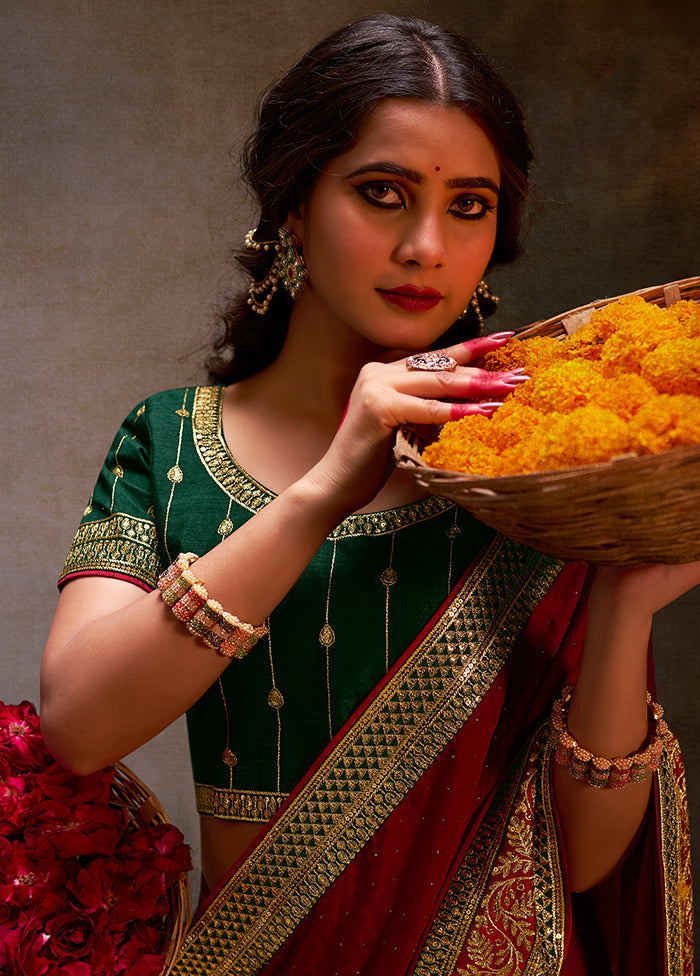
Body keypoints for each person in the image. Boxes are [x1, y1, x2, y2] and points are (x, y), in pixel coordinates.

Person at [39, 14, 697, 975]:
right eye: (382, 193)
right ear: (293, 206)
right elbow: (81, 728)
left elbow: (589, 864)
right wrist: (326, 486)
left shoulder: (531, 464)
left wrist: (625, 603)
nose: (426, 246)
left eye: (469, 206)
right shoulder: (172, 440)